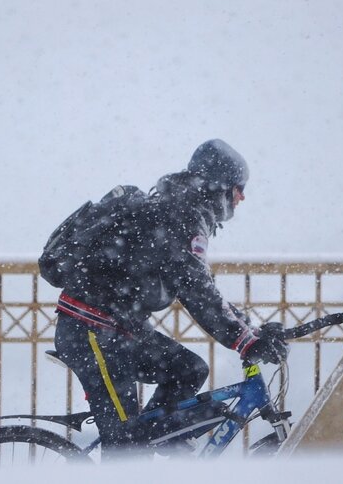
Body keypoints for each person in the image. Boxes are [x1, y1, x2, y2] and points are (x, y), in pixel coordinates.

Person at [49, 139, 288, 456]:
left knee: (188, 370)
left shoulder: (180, 209)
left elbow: (200, 285)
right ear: (219, 185)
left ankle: (161, 438)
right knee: (125, 446)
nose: (241, 196)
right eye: (237, 187)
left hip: (116, 328)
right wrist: (245, 339)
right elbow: (196, 290)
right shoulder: (180, 215)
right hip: (92, 330)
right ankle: (133, 452)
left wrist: (249, 330)